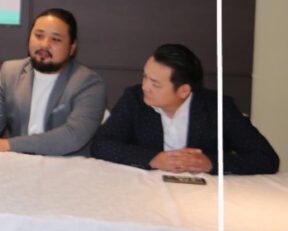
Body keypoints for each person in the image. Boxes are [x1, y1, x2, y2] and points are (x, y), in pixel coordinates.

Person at [92, 43, 279, 174]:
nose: (145, 87)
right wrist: (153, 158)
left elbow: (266, 158)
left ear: (183, 90)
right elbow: (102, 144)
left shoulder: (218, 107)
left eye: (155, 84)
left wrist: (211, 163)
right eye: (145, 77)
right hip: (146, 189)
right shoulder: (134, 99)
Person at [0, 8, 105, 156]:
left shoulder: (88, 83)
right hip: (18, 164)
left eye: (56, 39)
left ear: (72, 48)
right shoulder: (9, 73)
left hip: (67, 166)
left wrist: (10, 145)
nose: (44, 45)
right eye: (39, 36)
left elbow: (73, 136)